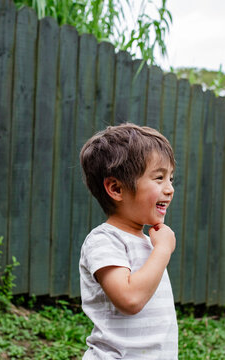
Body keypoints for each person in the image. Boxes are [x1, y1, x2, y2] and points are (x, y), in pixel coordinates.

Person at [79, 123, 178, 359]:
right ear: (116, 188)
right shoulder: (103, 241)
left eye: (171, 178)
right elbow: (130, 299)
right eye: (159, 178)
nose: (170, 189)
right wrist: (163, 250)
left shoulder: (147, 242)